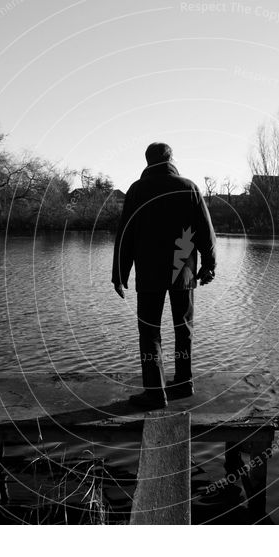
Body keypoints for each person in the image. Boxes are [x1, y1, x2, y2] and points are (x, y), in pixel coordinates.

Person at [112, 142, 216, 408]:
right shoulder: (189, 187)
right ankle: (184, 382)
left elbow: (126, 233)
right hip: (182, 268)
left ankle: (155, 392)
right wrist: (209, 264)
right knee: (184, 328)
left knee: (150, 332)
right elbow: (205, 230)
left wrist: (120, 274)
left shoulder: (137, 189)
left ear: (147, 161)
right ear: (171, 158)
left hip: (149, 271)